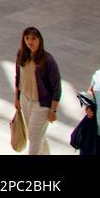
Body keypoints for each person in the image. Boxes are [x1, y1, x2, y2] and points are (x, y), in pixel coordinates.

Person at [13, 26, 61, 155]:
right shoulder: (21, 54)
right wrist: (16, 98)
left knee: (34, 138)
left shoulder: (48, 61)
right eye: (27, 38)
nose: (30, 42)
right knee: (37, 135)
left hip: (41, 104)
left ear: (40, 40)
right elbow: (18, 77)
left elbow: (57, 88)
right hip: (25, 99)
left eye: (33, 38)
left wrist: (53, 110)